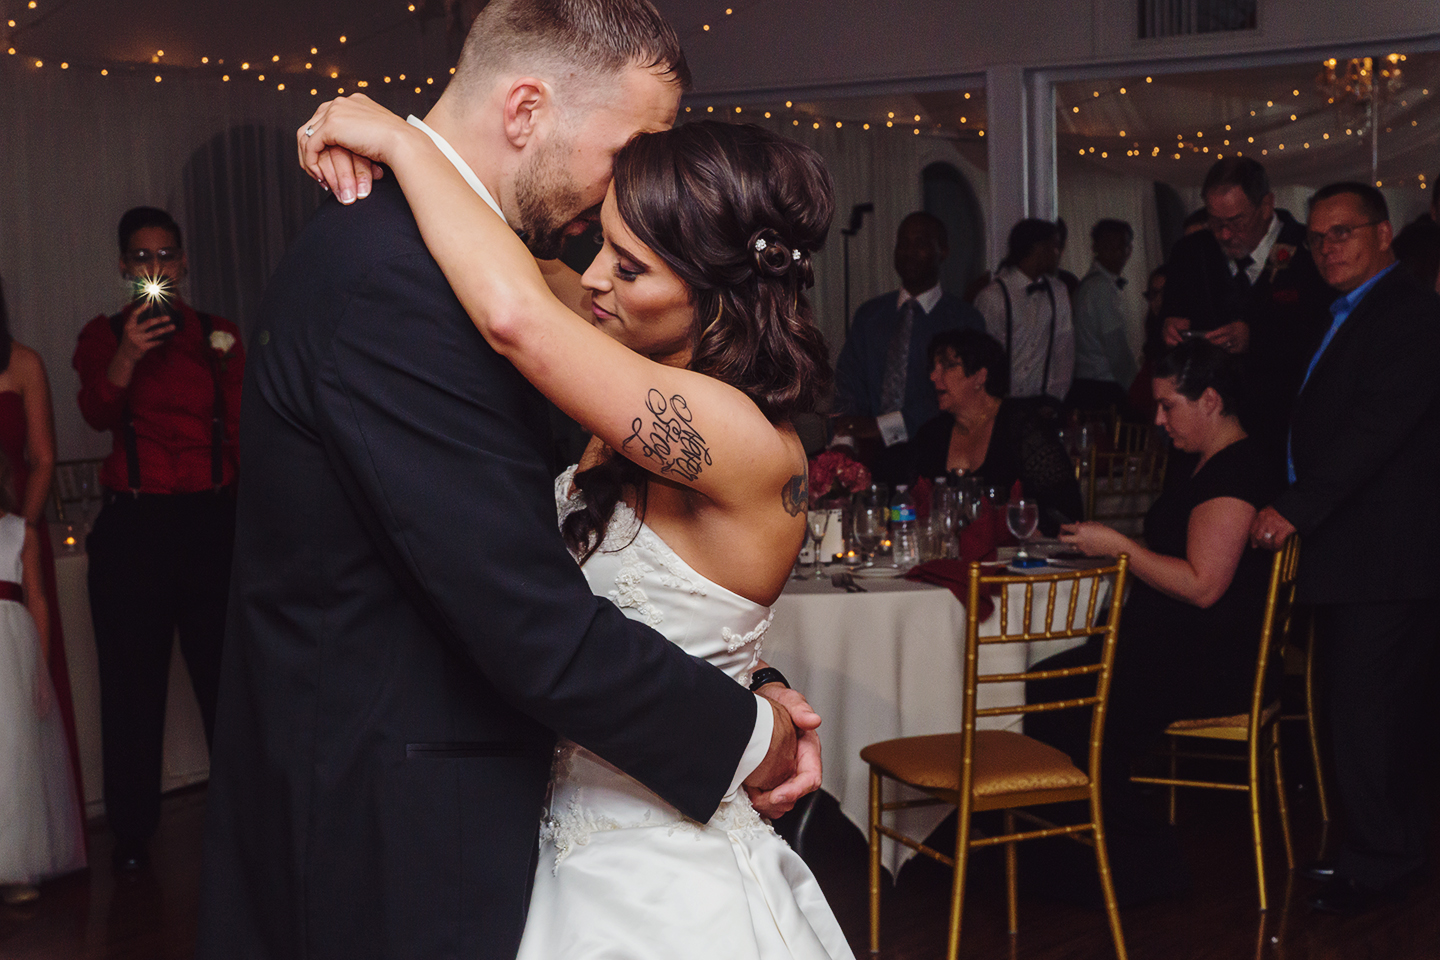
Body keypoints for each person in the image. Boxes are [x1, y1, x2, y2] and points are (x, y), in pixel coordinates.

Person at [196, 5, 826, 959]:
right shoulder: (399, 280)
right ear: (526, 110)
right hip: (394, 830)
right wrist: (748, 726)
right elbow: (534, 617)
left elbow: (522, 326)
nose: (631, 186)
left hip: (576, 854)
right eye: (629, 148)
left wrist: (742, 669)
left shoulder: (473, 275)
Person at [1027, 338, 1283, 903]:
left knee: (1067, 713)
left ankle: (1145, 863)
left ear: (1211, 399)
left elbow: (1203, 585)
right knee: (1044, 690)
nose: (1161, 420)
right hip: (1171, 649)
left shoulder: (1236, 471)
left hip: (1209, 660)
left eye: (1170, 406)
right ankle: (1083, 853)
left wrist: (1120, 546)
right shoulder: (1201, 465)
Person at [1249, 183, 1440, 915]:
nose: (1329, 247)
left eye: (1344, 232)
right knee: (1364, 710)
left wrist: (1295, 507)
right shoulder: (1353, 310)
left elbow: (1374, 431)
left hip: (1386, 550)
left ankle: (1382, 864)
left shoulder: (1411, 314)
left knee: (1368, 713)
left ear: (1384, 233)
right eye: (1320, 236)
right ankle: (1382, 850)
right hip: (1358, 547)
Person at [72, 206, 244, 873]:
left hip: (210, 523)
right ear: (123, 266)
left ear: (184, 262)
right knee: (131, 686)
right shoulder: (102, 336)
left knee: (227, 683)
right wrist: (126, 356)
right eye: (141, 258)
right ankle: (135, 835)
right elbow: (93, 412)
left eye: (166, 256)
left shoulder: (219, 335)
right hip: (136, 528)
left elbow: (241, 427)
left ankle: (241, 818)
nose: (155, 269)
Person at [1160, 157, 1333, 456]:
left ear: (1266, 206)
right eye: (1215, 222)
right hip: (1206, 432)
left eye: (1237, 222)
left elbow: (1324, 338)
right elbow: (1159, 334)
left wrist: (1257, 338)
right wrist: (1168, 326)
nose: (1225, 234)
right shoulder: (1191, 252)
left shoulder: (1312, 252)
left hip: (1283, 425)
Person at [0, 276, 84, 818]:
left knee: (24, 690)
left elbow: (44, 456)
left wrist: (19, 529)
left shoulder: (22, 364)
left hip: (13, 531)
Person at [831, 212, 983, 484]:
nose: (909, 252)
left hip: (936, 456)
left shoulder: (963, 320)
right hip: (871, 458)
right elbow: (849, 381)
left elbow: (961, 395)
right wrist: (844, 438)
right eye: (903, 243)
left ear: (943, 251)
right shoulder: (871, 315)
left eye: (921, 243)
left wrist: (885, 426)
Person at [0, 446, 85, 906]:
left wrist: (39, 673)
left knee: (12, 753)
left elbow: (38, 601)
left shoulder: (19, 533)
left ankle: (13, 862)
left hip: (10, 654)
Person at [903, 329, 1081, 535]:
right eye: (933, 368)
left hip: (1020, 558)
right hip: (946, 558)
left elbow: (1065, 511)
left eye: (948, 367)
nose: (934, 376)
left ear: (980, 376)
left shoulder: (1022, 426)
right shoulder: (931, 435)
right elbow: (906, 504)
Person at [973, 219, 1074, 409]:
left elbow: (1064, 350)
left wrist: (1055, 397)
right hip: (1001, 405)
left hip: (1043, 404)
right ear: (1038, 249)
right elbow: (982, 356)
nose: (1059, 254)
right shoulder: (993, 297)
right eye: (1055, 247)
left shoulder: (1058, 292)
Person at [1068, 219, 1139, 413]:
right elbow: (1115, 348)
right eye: (1108, 246)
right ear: (1096, 247)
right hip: (1103, 386)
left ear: (1129, 249)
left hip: (1089, 383)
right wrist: (1135, 388)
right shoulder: (1100, 288)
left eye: (1120, 246)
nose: (1115, 252)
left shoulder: (1093, 285)